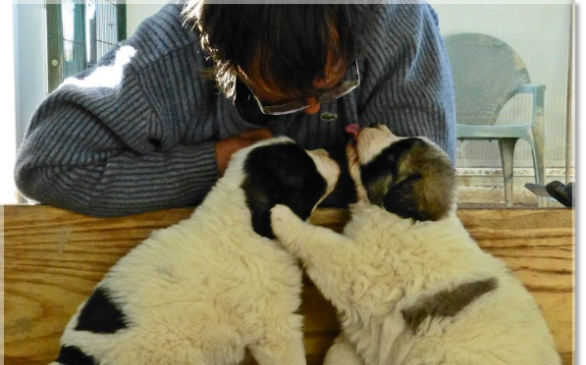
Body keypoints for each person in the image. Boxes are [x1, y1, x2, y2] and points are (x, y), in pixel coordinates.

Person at [14, 1, 456, 218]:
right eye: (280, 99)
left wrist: (272, 185)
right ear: (222, 61)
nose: (311, 112)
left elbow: (423, 195)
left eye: (335, 85)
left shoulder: (397, 21)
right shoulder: (167, 58)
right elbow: (47, 164)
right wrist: (214, 165)